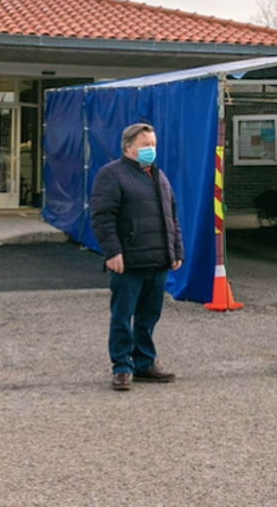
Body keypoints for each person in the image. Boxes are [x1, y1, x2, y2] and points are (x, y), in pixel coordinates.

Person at [89, 123, 184, 392]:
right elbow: (102, 217)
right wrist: (112, 252)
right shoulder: (111, 175)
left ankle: (144, 363)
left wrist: (176, 250)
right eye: (146, 145)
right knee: (123, 315)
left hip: (157, 260)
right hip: (129, 261)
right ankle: (121, 367)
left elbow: (171, 216)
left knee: (149, 315)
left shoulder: (158, 176)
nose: (151, 150)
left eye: (154, 144)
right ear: (128, 147)